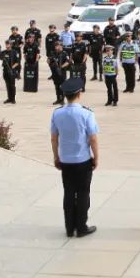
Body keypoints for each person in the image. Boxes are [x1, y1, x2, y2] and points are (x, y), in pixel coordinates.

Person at [51, 78, 99, 238]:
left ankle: (69, 227)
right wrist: (96, 157)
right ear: (79, 93)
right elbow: (93, 138)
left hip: (65, 160)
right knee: (83, 192)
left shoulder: (57, 113)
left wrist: (56, 157)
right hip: (82, 159)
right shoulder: (86, 113)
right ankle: (81, 226)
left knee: (69, 192)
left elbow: (54, 138)